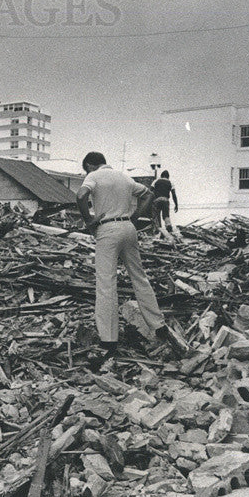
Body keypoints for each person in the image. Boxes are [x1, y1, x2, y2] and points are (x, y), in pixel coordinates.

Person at [76, 151, 182, 370]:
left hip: (107, 228)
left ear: (89, 165)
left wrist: (88, 221)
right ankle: (158, 324)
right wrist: (135, 216)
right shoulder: (123, 176)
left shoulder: (94, 176)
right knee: (139, 277)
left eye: (85, 168)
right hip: (128, 227)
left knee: (106, 283)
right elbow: (148, 195)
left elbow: (80, 196)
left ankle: (109, 340)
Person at [151, 169, 179, 238]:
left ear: (161, 176)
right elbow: (174, 194)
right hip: (165, 200)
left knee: (156, 215)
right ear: (168, 177)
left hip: (157, 200)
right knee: (166, 215)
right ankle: (168, 225)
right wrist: (176, 205)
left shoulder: (156, 181)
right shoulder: (170, 182)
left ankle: (158, 229)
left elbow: (150, 191)